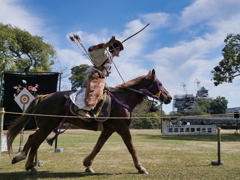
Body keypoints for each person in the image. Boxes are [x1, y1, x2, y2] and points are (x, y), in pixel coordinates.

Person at [70, 36, 124, 118]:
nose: (119, 52)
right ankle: (84, 110)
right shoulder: (107, 54)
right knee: (95, 91)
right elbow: (91, 50)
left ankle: (92, 110)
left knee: (103, 93)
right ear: (115, 49)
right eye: (118, 50)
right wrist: (105, 46)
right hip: (95, 76)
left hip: (99, 76)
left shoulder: (110, 57)